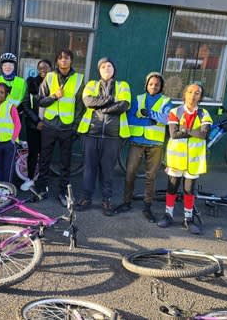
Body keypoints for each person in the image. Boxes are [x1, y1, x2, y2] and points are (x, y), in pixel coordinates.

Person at [114, 72, 173, 222]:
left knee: (150, 177)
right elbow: (130, 118)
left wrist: (150, 113)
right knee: (130, 173)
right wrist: (149, 121)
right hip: (137, 141)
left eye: (157, 85)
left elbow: (167, 119)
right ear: (146, 85)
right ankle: (126, 202)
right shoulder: (138, 99)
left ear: (161, 87)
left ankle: (147, 207)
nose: (153, 87)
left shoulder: (166, 101)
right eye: (151, 84)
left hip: (155, 144)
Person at [75, 57, 131, 216]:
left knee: (108, 170)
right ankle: (86, 198)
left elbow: (124, 105)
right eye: (103, 66)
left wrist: (102, 108)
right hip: (91, 133)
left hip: (112, 136)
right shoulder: (91, 84)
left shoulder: (123, 85)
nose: (107, 68)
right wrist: (110, 100)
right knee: (89, 168)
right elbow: (88, 101)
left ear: (114, 69)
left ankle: (107, 200)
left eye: (110, 65)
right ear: (99, 70)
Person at [157, 83, 212, 234]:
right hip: (176, 159)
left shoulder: (204, 113)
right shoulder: (175, 111)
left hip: (193, 161)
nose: (192, 95)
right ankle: (168, 215)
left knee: (189, 190)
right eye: (190, 92)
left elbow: (204, 134)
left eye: (197, 93)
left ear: (200, 96)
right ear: (185, 94)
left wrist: (185, 130)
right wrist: (194, 131)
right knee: (172, 188)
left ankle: (188, 218)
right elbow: (174, 134)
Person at [31, 49, 84, 206]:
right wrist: (54, 96)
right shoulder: (49, 77)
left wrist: (75, 126)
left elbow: (81, 106)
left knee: (65, 163)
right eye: (60, 58)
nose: (64, 61)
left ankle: (63, 192)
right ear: (57, 61)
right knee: (45, 159)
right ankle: (41, 189)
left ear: (71, 61)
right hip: (49, 125)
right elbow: (40, 101)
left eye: (67, 58)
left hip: (67, 127)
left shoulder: (79, 79)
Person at [21, 59, 52, 190]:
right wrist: (37, 121)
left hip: (50, 125)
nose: (43, 69)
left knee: (46, 155)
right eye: (40, 67)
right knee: (33, 153)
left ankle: (42, 182)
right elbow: (26, 105)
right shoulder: (31, 82)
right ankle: (29, 178)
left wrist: (47, 122)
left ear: (51, 68)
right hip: (34, 125)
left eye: (46, 67)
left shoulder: (55, 83)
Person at [0, 83, 21, 183]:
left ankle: (7, 189)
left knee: (8, 167)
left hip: (9, 143)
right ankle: (0, 187)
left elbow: (18, 125)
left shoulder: (10, 107)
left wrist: (12, 140)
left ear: (6, 94)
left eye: (2, 92)